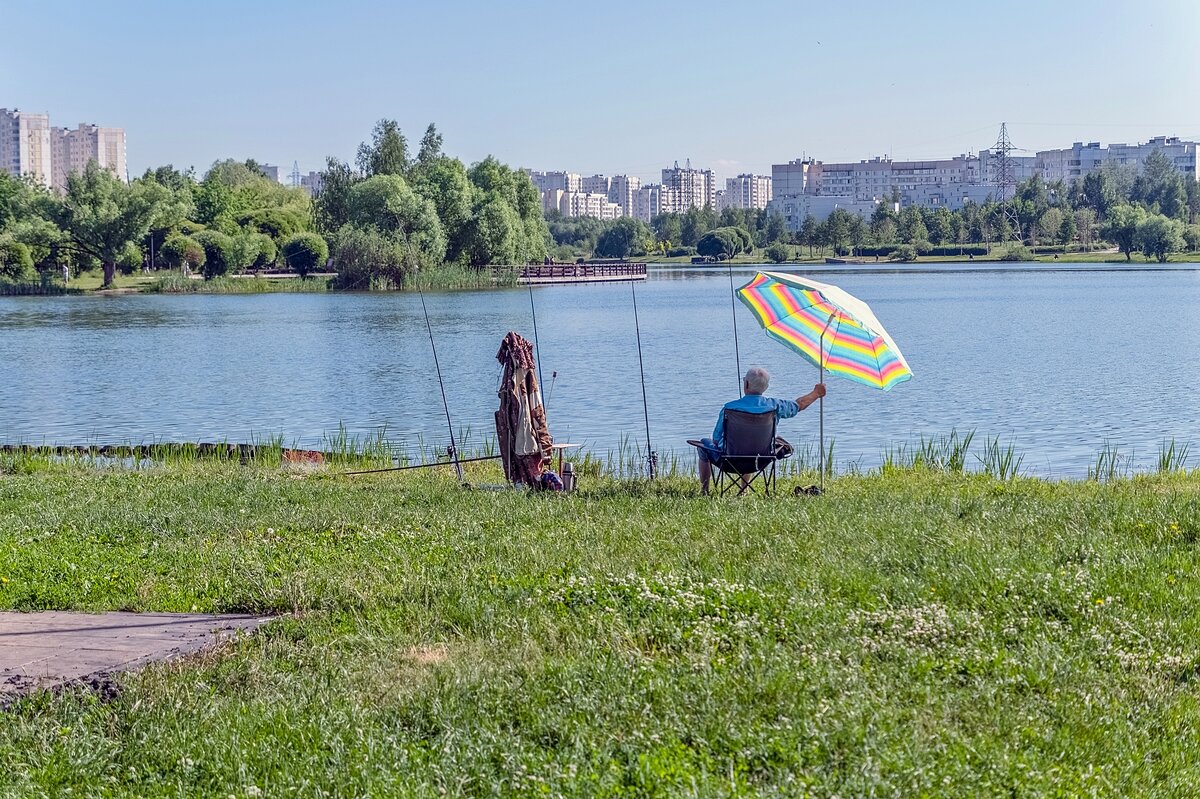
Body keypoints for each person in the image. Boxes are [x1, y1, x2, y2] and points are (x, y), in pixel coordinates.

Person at [696, 366, 825, 494]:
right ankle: (744, 490)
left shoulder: (729, 408)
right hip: (760, 459)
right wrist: (816, 393)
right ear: (766, 388)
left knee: (703, 445)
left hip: (729, 461)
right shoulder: (775, 406)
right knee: (752, 443)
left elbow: (716, 438)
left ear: (746, 384)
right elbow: (799, 405)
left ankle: (705, 491)